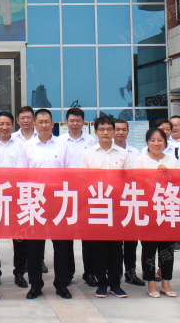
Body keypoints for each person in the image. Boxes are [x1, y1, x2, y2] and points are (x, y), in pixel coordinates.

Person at [18, 108, 71, 300]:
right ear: (34, 124)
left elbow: (70, 172)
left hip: (58, 201)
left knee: (61, 246)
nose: (43, 125)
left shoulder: (62, 145)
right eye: (39, 122)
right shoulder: (27, 147)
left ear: (52, 124)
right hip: (35, 201)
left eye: (46, 122)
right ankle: (35, 285)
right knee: (34, 247)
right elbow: (21, 174)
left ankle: (61, 284)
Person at [80, 116, 131, 298]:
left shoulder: (123, 154)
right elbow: (83, 181)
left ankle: (116, 283)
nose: (106, 132)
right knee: (99, 247)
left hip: (117, 207)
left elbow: (129, 180)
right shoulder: (88, 154)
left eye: (109, 129)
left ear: (114, 131)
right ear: (95, 132)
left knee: (117, 248)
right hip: (97, 206)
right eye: (102, 129)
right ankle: (101, 283)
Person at [134, 126, 180, 298]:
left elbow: (179, 182)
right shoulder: (141, 160)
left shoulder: (172, 160)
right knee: (149, 248)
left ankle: (166, 283)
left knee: (167, 248)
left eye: (160, 140)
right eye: (152, 140)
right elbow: (137, 183)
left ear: (165, 142)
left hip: (168, 208)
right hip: (148, 210)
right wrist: (156, 175)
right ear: (147, 142)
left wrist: (168, 174)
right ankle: (151, 283)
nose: (156, 143)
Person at [0, 110, 27, 288]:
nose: (4, 127)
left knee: (19, 237)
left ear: (13, 125)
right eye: (1, 124)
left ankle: (19, 272)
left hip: (17, 196)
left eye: (8, 124)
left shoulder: (22, 146)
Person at [60, 107, 94, 285]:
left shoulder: (91, 141)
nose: (75, 124)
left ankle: (90, 272)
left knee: (88, 235)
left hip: (86, 192)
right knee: (66, 235)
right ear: (66, 122)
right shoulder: (59, 141)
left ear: (84, 123)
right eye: (71, 121)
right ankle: (68, 272)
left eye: (78, 121)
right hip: (65, 192)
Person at [113, 119, 145, 288]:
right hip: (113, 200)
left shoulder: (135, 152)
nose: (120, 132)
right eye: (117, 129)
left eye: (124, 129)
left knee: (131, 240)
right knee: (116, 241)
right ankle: (116, 272)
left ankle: (130, 272)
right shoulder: (109, 151)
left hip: (132, 199)